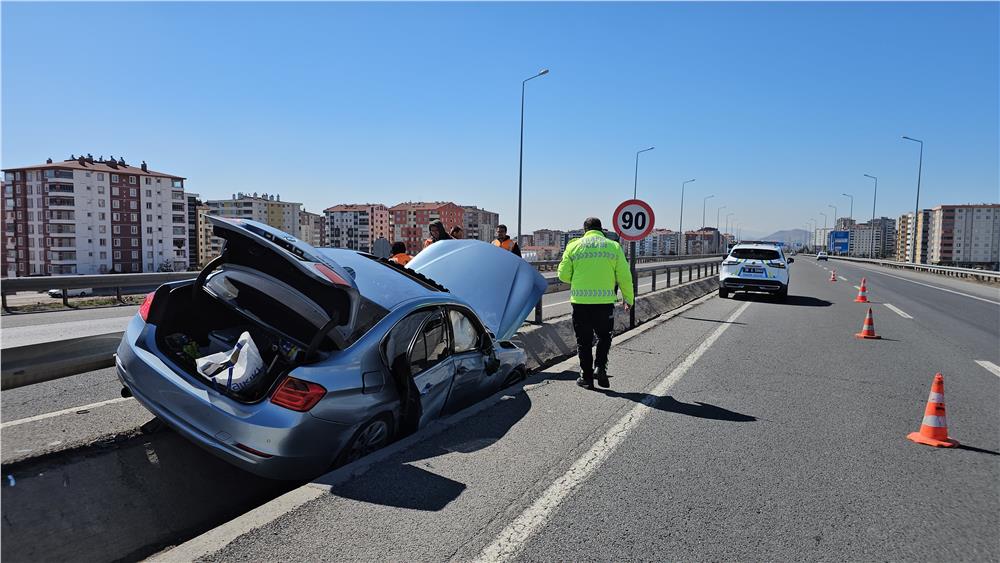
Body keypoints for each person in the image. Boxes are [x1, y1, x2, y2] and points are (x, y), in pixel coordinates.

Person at [557, 217, 634, 390]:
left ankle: (586, 377)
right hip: (604, 303)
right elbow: (625, 276)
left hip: (580, 303)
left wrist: (578, 279)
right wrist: (628, 298)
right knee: (604, 337)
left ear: (585, 230)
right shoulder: (613, 246)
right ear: (602, 230)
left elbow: (562, 275)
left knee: (583, 341)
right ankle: (600, 367)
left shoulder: (573, 246)